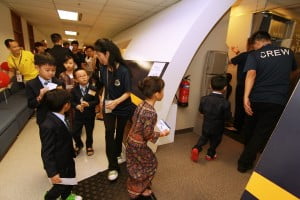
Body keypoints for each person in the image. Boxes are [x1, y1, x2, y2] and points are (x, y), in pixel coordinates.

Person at [237, 31, 297, 173]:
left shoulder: (255, 55)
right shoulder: (288, 52)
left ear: (258, 42)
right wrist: (284, 82)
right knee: (261, 132)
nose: (255, 48)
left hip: (256, 99)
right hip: (277, 100)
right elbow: (294, 71)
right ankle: (249, 157)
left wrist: (245, 97)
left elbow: (251, 74)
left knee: (250, 129)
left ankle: (244, 162)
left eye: (254, 45)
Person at [94, 38, 136, 181]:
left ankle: (117, 152)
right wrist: (102, 99)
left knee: (120, 131)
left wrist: (116, 102)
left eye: (99, 56)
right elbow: (105, 86)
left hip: (123, 106)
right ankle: (112, 166)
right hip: (108, 106)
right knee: (108, 132)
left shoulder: (124, 70)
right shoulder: (103, 68)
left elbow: (128, 92)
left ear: (107, 53)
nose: (99, 59)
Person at [126, 76, 169, 200]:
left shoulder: (141, 104)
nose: (163, 93)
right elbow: (147, 134)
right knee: (151, 164)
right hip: (138, 144)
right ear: (156, 94)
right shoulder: (151, 112)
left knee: (135, 164)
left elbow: (135, 121)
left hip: (131, 140)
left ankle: (134, 185)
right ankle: (139, 189)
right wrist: (162, 134)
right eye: (162, 90)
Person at [41, 89, 82, 200]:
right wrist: (52, 173)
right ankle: (49, 197)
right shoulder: (48, 125)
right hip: (59, 163)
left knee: (71, 178)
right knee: (61, 184)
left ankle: (67, 196)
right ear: (66, 105)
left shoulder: (62, 116)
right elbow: (46, 152)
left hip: (68, 157)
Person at [191, 75, 232, 162]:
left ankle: (197, 148)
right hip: (218, 127)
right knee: (215, 140)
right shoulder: (225, 102)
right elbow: (227, 117)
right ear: (225, 88)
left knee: (203, 137)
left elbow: (201, 111)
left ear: (210, 85)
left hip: (206, 124)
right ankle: (210, 154)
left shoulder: (204, 99)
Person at [26, 52, 64, 126]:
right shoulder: (31, 84)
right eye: (47, 70)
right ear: (37, 68)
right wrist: (40, 96)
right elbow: (31, 104)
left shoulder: (58, 82)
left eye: (53, 70)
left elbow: (63, 102)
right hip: (43, 119)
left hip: (58, 117)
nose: (51, 73)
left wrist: (62, 94)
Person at [71, 68, 99, 156]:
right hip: (78, 116)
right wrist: (77, 106)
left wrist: (89, 104)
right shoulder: (74, 90)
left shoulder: (93, 88)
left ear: (88, 76)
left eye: (84, 75)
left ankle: (89, 146)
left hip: (90, 115)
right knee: (75, 132)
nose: (83, 78)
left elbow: (97, 101)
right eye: (80, 76)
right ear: (76, 79)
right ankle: (79, 144)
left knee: (89, 132)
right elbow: (71, 102)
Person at [230, 38, 254, 132]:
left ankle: (236, 126)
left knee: (240, 105)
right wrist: (238, 52)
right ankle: (246, 126)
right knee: (249, 106)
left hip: (243, 85)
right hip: (254, 86)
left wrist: (237, 54)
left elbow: (231, 61)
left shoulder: (244, 55)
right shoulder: (257, 55)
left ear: (249, 44)